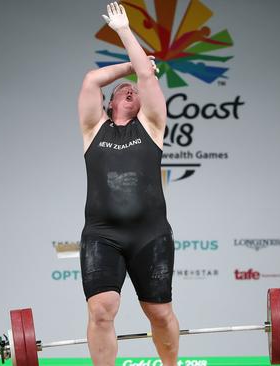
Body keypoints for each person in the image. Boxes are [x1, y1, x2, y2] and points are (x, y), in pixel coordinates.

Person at [77, 2, 179, 366]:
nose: (131, 88)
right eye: (123, 89)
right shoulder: (93, 129)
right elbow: (91, 80)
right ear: (111, 103)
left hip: (150, 234)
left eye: (134, 88)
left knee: (160, 313)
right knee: (102, 310)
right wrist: (132, 64)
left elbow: (148, 79)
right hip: (102, 235)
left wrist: (126, 34)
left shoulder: (152, 126)